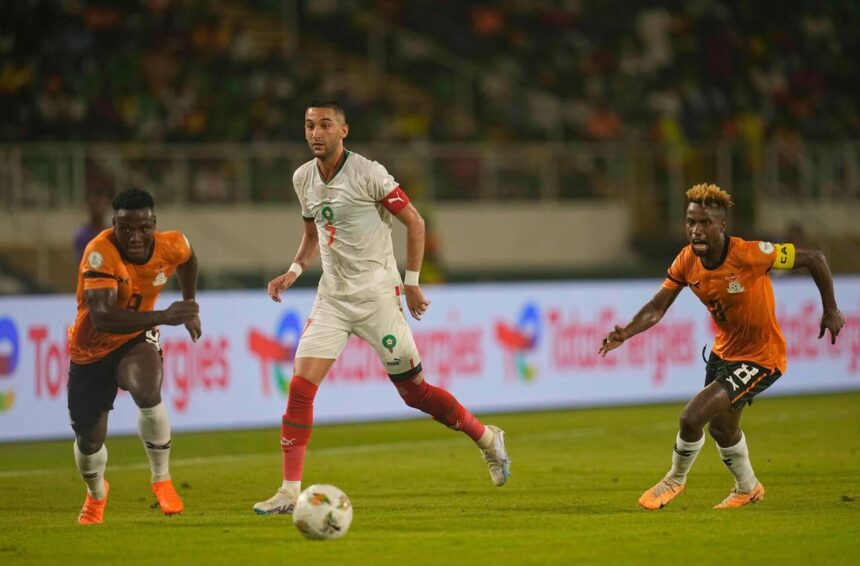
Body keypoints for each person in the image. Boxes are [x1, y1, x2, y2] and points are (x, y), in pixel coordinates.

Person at [253, 100, 511, 515]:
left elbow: (416, 221)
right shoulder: (303, 178)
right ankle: (288, 490)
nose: (315, 133)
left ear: (343, 131)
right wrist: (294, 271)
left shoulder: (369, 173)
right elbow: (313, 232)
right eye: (308, 125)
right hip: (333, 298)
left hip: (377, 297)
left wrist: (411, 283)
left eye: (324, 125)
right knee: (301, 388)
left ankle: (487, 438)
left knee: (415, 393)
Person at [598, 183, 844, 510]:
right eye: (690, 222)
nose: (695, 230)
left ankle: (674, 479)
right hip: (724, 352)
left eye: (704, 223)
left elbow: (815, 258)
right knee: (722, 428)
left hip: (761, 357)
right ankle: (748, 487)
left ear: (721, 226)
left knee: (691, 417)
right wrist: (626, 332)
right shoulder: (687, 260)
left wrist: (830, 309)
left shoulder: (751, 253)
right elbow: (657, 307)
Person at [68, 188, 202, 524]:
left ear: (153, 223)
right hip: (90, 350)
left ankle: (162, 479)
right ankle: (96, 494)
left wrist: (187, 306)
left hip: (134, 338)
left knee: (147, 389)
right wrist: (162, 316)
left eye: (143, 228)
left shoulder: (171, 244)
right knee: (89, 441)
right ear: (114, 224)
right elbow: (103, 317)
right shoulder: (99, 253)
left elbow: (189, 258)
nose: (135, 236)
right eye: (125, 228)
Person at [73, 187, 113, 262]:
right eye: (94, 205)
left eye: (101, 204)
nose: (98, 209)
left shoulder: (113, 234)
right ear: (88, 206)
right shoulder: (82, 235)